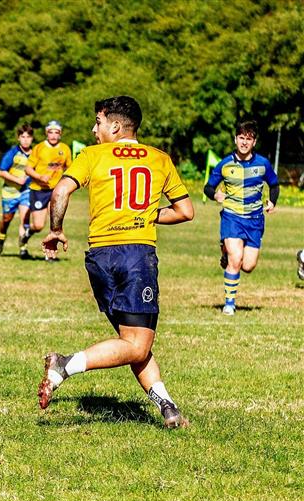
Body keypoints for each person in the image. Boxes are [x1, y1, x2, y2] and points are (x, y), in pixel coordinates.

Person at [39, 96, 194, 429]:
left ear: (115, 125)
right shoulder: (159, 158)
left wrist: (55, 230)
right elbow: (185, 211)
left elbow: (60, 193)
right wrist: (150, 214)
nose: (94, 130)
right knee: (136, 344)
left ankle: (168, 408)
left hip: (99, 258)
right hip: (136, 256)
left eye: (98, 122)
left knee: (131, 343)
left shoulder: (91, 156)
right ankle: (64, 365)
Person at [204, 120, 279, 315]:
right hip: (232, 217)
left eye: (249, 139)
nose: (244, 142)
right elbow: (208, 187)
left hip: (255, 220)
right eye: (241, 138)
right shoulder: (225, 164)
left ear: (254, 142)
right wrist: (215, 195)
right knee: (235, 259)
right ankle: (229, 304)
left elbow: (274, 184)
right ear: (235, 139)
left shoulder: (263, 164)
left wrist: (272, 201)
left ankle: (225, 253)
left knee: (248, 265)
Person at [23, 120, 71, 260]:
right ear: (46, 133)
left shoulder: (65, 149)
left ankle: (50, 254)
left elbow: (69, 168)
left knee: (54, 223)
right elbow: (27, 169)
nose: (54, 135)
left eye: (57, 132)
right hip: (39, 190)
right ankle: (27, 232)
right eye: (51, 132)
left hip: (55, 191)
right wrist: (39, 177)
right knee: (38, 225)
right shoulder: (39, 148)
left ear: (60, 134)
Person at [0, 124, 33, 256]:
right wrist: (17, 180)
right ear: (18, 138)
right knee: (6, 220)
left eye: (28, 136)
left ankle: (23, 248)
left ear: (32, 138)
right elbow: (0, 171)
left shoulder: (35, 154)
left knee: (25, 219)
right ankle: (1, 237)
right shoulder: (12, 153)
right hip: (9, 192)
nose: (26, 140)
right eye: (23, 137)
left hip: (26, 191)